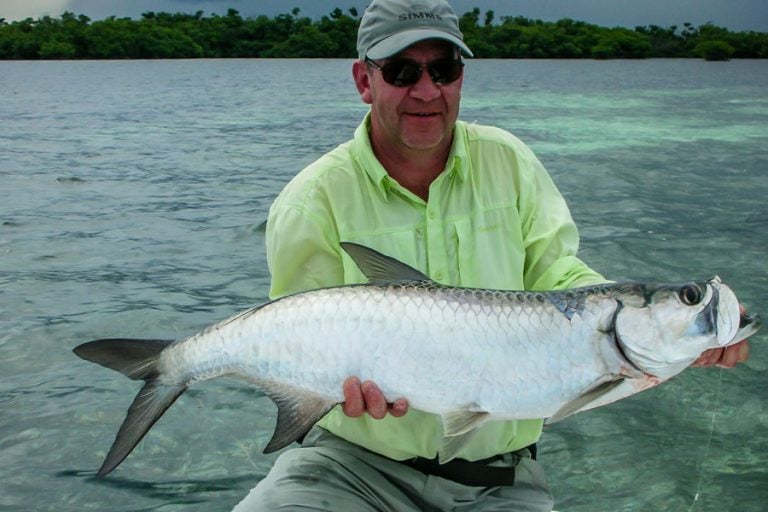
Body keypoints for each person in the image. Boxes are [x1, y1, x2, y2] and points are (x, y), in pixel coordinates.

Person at [234, 0, 750, 509]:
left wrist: (687, 332)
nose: (426, 90)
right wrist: (330, 388)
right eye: (401, 71)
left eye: (444, 69)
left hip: (500, 482)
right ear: (364, 81)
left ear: (460, 76)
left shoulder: (510, 161)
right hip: (348, 469)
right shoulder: (312, 199)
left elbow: (560, 275)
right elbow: (297, 333)